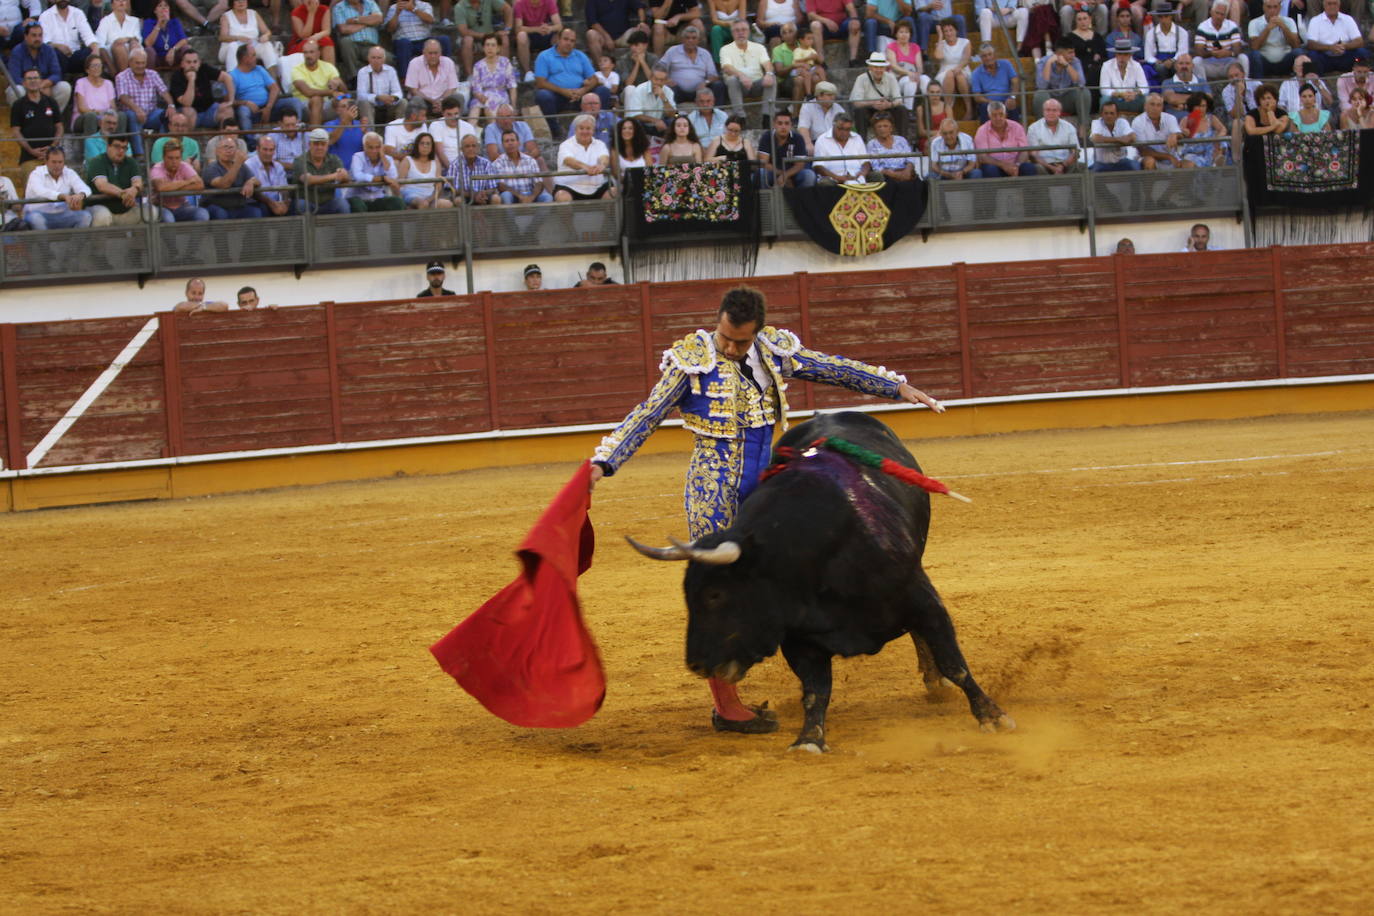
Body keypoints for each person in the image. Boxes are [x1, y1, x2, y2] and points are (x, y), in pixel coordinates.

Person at [587, 286, 943, 734]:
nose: (731, 348)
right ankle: (727, 707)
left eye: (740, 341)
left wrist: (895, 386)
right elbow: (647, 414)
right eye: (725, 338)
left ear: (756, 331)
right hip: (714, 489)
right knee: (721, 594)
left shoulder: (771, 350)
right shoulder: (692, 359)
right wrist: (604, 462)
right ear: (717, 322)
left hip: (765, 492)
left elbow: (829, 367)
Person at [533, 26, 607, 139]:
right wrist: (563, 91)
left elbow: (594, 79)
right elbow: (540, 83)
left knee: (603, 91)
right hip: (557, 97)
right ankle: (555, 131)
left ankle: (600, 127)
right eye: (566, 39)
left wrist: (583, 91)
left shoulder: (580, 56)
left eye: (572, 41)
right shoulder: (544, 56)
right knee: (543, 95)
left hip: (580, 96)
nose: (569, 43)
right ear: (558, 39)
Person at [719, 19, 775, 127]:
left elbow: (767, 63)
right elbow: (726, 67)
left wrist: (768, 73)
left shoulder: (759, 47)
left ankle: (767, 117)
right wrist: (741, 75)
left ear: (749, 32)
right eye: (737, 30)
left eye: (744, 30)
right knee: (731, 79)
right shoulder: (725, 49)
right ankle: (740, 118)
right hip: (739, 86)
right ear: (732, 33)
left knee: (772, 79)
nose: (741, 33)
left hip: (757, 84)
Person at [24, 146, 94, 229]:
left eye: (60, 162)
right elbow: (40, 191)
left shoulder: (69, 172)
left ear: (64, 162)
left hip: (62, 215)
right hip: (39, 214)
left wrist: (80, 195)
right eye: (53, 162)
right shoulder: (36, 174)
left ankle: (74, 242)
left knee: (85, 216)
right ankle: (44, 242)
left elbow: (86, 189)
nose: (57, 165)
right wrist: (63, 196)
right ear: (46, 161)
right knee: (36, 219)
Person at [85, 132, 149, 225]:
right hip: (101, 206)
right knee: (102, 216)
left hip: (126, 208)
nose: (121, 150)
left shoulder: (131, 162)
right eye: (117, 146)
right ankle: (98, 240)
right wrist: (124, 195)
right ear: (108, 146)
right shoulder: (97, 161)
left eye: (124, 147)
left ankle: (139, 240)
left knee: (150, 212)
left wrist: (134, 189)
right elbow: (102, 185)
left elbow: (138, 182)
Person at [383, 0, 450, 80]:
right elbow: (390, 29)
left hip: (425, 40)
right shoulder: (393, 8)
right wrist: (397, 13)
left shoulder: (424, 5)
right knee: (403, 43)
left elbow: (430, 20)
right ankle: (404, 80)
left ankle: (446, 73)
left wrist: (413, 9)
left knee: (444, 40)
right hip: (405, 42)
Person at [554, 113, 615, 199]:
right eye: (581, 128)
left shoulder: (600, 144)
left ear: (593, 130)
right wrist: (586, 168)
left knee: (613, 191)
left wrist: (601, 165)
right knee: (562, 196)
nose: (585, 131)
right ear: (575, 130)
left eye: (588, 128)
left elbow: (604, 157)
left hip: (597, 186)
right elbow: (569, 161)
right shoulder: (565, 145)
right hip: (570, 186)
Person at [10, 68, 65, 163]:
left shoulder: (51, 102)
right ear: (24, 83)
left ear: (41, 81)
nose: (33, 81)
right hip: (28, 158)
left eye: (35, 78)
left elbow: (59, 127)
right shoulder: (18, 105)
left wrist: (51, 148)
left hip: (52, 158)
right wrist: (31, 151)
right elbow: (16, 132)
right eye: (29, 78)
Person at [293, 126, 352, 213]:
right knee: (301, 205)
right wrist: (335, 176)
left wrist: (344, 175)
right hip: (308, 201)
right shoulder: (300, 160)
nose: (320, 147)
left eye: (323, 144)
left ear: (327, 146)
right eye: (316, 144)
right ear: (309, 145)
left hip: (328, 201)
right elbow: (308, 180)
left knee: (343, 205)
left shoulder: (334, 159)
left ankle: (345, 227)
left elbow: (345, 177)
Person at [203, 135, 263, 219]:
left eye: (231, 148)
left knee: (255, 212)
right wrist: (237, 163)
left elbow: (258, 181)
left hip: (238, 206)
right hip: (217, 206)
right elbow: (224, 184)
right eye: (225, 147)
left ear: (236, 151)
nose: (228, 151)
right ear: (217, 151)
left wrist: (250, 182)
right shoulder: (212, 167)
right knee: (220, 214)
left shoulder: (242, 166)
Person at [659, 24, 720, 104]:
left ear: (698, 40)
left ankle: (718, 113)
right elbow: (659, 68)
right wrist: (666, 79)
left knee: (718, 85)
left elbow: (714, 75)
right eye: (687, 38)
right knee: (668, 89)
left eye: (694, 38)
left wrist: (706, 82)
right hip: (677, 90)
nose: (690, 40)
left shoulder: (705, 54)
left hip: (700, 91)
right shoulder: (673, 51)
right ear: (682, 40)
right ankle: (671, 115)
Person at [116, 48, 171, 136]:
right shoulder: (121, 76)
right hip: (132, 115)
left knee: (167, 115)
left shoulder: (153, 74)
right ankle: (139, 149)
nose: (140, 66)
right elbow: (123, 97)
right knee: (132, 115)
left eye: (143, 63)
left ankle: (162, 143)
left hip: (151, 114)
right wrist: (137, 110)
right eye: (137, 63)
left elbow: (164, 91)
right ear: (130, 62)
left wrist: (171, 105)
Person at [151, 139, 209, 221]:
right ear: (164, 157)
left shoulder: (184, 166)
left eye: (177, 158)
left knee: (202, 214)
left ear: (181, 157)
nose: (174, 161)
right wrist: (187, 182)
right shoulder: (157, 168)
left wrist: (171, 187)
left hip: (182, 206)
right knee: (168, 219)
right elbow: (161, 187)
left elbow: (200, 184)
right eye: (170, 158)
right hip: (161, 206)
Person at [849, 50, 905, 136]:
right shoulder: (861, 78)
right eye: (876, 67)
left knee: (901, 109)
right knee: (859, 111)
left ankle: (904, 139)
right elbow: (856, 102)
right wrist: (872, 103)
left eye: (881, 67)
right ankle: (862, 140)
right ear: (870, 67)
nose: (879, 70)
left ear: (885, 68)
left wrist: (889, 104)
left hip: (887, 108)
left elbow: (899, 99)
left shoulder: (891, 77)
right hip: (869, 108)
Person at [246, 135, 304, 216]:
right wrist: (271, 203)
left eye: (271, 150)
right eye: (265, 149)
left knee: (297, 206)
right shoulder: (249, 164)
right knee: (262, 209)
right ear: (257, 149)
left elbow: (284, 189)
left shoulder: (278, 166)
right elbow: (255, 193)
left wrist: (285, 203)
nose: (268, 153)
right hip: (259, 202)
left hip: (277, 202)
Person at [38, 0, 99, 76]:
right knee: (53, 53)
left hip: (75, 56)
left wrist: (95, 50)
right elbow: (44, 42)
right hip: (58, 57)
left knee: (91, 51)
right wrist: (58, 46)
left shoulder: (78, 13)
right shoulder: (45, 16)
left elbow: (88, 36)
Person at [404, 37, 461, 117]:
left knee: (459, 97)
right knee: (416, 100)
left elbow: (452, 87)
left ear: (440, 53)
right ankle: (419, 127)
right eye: (430, 53)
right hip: (424, 100)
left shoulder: (448, 62)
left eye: (436, 53)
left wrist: (440, 101)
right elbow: (413, 90)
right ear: (423, 52)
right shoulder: (414, 63)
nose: (433, 56)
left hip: (443, 100)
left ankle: (455, 126)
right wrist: (432, 101)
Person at [348, 131, 404, 211]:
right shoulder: (358, 157)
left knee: (397, 202)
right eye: (370, 147)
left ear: (382, 147)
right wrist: (382, 178)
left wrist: (383, 156)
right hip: (359, 198)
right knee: (358, 206)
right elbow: (358, 176)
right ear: (364, 147)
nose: (374, 151)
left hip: (378, 198)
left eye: (377, 147)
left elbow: (393, 177)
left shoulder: (387, 159)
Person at [974, 100, 1033, 176]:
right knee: (990, 169)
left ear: (1006, 114)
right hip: (994, 165)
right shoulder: (982, 130)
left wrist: (1017, 165)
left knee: (1029, 167)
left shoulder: (1017, 127)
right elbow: (982, 157)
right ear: (989, 116)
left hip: (1015, 164)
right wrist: (1003, 165)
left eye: (1001, 114)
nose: (998, 118)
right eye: (994, 115)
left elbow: (1024, 151)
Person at [454, 0, 513, 77]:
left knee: (504, 38)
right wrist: (484, 35)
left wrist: (507, 29)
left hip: (489, 37)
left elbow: (507, 8)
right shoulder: (459, 6)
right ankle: (470, 76)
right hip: (472, 38)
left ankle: (503, 74)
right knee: (468, 40)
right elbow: (463, 31)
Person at [1132, 91, 1190, 168]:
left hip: (1172, 157)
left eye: (1158, 105)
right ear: (1145, 106)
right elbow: (1143, 151)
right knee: (1149, 161)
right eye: (1152, 104)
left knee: (1189, 164)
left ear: (1162, 107)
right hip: (1150, 157)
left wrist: (1175, 135)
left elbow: (1179, 134)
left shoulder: (1170, 118)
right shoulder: (1138, 121)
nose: (1155, 108)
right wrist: (1168, 157)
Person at [1192, 0, 1248, 80]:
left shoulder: (1232, 26)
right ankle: (1203, 89)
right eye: (1217, 13)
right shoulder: (1203, 27)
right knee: (1196, 61)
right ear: (1211, 12)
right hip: (1210, 64)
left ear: (1225, 15)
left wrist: (1228, 53)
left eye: (1222, 14)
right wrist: (1212, 53)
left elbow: (1238, 49)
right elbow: (1198, 51)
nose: (1219, 17)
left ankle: (1244, 85)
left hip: (1228, 65)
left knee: (1243, 58)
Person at [757, 109, 813, 187]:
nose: (783, 127)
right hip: (773, 172)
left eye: (787, 123)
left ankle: (802, 199)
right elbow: (763, 163)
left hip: (793, 173)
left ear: (791, 125)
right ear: (774, 124)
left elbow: (800, 164)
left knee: (809, 175)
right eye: (780, 123)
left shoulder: (798, 138)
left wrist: (786, 175)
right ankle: (766, 199)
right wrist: (783, 175)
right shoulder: (766, 137)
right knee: (762, 172)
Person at [1304, 0, 1362, 75]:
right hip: (1324, 58)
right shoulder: (1315, 20)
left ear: (1339, 5)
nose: (1332, 6)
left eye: (1335, 4)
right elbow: (1311, 44)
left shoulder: (1348, 19)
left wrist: (1344, 46)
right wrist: (1330, 47)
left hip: (1345, 55)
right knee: (1312, 55)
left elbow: (1359, 41)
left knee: (1362, 52)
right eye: (1329, 4)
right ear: (1324, 5)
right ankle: (1317, 81)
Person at [494, 127, 552, 202]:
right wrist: (520, 196)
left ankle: (542, 214)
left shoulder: (530, 160)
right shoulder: (498, 162)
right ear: (502, 145)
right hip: (512, 195)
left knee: (547, 197)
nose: (510, 143)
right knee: (506, 195)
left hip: (530, 194)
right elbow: (501, 186)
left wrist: (532, 197)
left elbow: (539, 183)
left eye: (512, 140)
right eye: (507, 141)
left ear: (518, 143)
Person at [1034, 38, 1087, 118]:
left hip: (1067, 98)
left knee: (1084, 92)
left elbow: (1081, 83)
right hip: (1050, 99)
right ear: (1059, 54)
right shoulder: (1043, 62)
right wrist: (1048, 64)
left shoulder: (1075, 61)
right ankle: (1043, 127)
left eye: (1073, 52)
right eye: (1070, 53)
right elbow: (1042, 86)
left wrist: (1066, 65)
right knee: (1040, 95)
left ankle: (1083, 126)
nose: (1073, 55)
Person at [469, 31, 518, 118]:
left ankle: (493, 130)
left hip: (500, 96)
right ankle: (470, 131)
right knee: (475, 109)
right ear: (483, 47)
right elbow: (476, 88)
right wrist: (483, 98)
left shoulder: (505, 62)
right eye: (487, 45)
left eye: (493, 45)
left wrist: (513, 106)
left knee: (490, 108)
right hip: (482, 96)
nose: (490, 48)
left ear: (498, 48)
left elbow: (512, 85)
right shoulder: (478, 65)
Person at [398, 131, 453, 207]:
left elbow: (438, 187)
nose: (425, 146)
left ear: (432, 147)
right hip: (411, 196)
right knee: (422, 204)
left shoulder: (436, 162)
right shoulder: (407, 160)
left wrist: (429, 199)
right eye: (422, 143)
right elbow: (400, 185)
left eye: (428, 143)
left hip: (429, 197)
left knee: (447, 204)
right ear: (417, 145)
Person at [968, 42, 1018, 123]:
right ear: (981, 58)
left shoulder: (1006, 64)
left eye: (989, 54)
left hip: (1006, 100)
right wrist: (991, 102)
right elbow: (977, 97)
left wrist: (1012, 97)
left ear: (995, 55)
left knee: (1012, 105)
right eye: (984, 56)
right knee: (985, 108)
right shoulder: (976, 73)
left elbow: (1015, 81)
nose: (988, 58)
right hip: (989, 103)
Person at [1247, 0, 1299, 77]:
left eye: (1275, 7)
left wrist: (1284, 27)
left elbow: (1296, 45)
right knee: (1254, 55)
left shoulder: (1289, 21)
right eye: (1269, 7)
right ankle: (1258, 84)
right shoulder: (1254, 23)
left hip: (1285, 62)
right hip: (1265, 63)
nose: (1272, 10)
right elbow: (1254, 47)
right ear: (1263, 7)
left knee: (1299, 52)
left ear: (1280, 8)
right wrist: (1267, 29)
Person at [217, 0, 275, 71]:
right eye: (237, 0)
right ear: (232, 2)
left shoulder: (253, 13)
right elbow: (222, 37)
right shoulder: (226, 16)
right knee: (233, 46)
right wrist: (237, 38)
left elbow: (267, 31)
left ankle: (274, 78)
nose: (241, 2)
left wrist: (266, 36)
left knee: (267, 45)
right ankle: (233, 78)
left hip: (251, 46)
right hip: (231, 48)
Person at [812, 112, 869, 183]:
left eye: (847, 129)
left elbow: (865, 162)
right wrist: (837, 177)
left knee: (875, 176)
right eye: (840, 128)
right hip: (832, 178)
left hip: (856, 177)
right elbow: (818, 166)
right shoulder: (822, 140)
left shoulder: (857, 138)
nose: (844, 132)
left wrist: (862, 174)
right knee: (825, 182)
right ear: (833, 125)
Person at [1025, 97, 1078, 173]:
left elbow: (1075, 152)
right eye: (1048, 110)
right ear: (1043, 111)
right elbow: (1033, 155)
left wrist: (1063, 165)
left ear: (1059, 112)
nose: (1051, 113)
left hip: (1065, 164)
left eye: (1054, 110)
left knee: (1080, 166)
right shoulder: (1033, 128)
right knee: (1037, 168)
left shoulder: (1069, 127)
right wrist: (1052, 168)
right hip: (1044, 165)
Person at [356, 44, 404, 126]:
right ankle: (370, 133)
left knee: (403, 102)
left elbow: (398, 92)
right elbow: (360, 95)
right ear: (368, 58)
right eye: (373, 57)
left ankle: (398, 129)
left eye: (379, 58)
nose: (376, 60)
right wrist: (378, 97)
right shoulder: (362, 72)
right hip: (371, 107)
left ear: (384, 59)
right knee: (364, 102)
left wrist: (393, 98)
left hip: (388, 106)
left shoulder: (391, 70)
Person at [932, 18, 972, 112]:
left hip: (962, 68)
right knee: (950, 74)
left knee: (959, 76)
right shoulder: (940, 44)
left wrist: (958, 68)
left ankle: (969, 109)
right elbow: (938, 56)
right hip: (945, 72)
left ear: (956, 30)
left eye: (951, 30)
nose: (949, 33)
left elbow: (966, 59)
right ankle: (948, 108)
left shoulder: (965, 42)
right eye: (946, 31)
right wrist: (940, 36)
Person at [806, 0, 861, 69]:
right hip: (824, 28)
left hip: (841, 26)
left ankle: (853, 60)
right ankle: (821, 61)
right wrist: (827, 21)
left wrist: (854, 19)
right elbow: (811, 15)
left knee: (855, 23)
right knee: (815, 25)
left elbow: (851, 8)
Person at [447, 132, 499, 204]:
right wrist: (474, 195)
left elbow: (492, 187)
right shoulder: (455, 165)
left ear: (478, 148)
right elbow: (453, 190)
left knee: (496, 198)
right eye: (467, 146)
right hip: (465, 197)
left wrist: (483, 193)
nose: (471, 149)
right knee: (458, 200)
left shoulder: (486, 163)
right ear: (461, 149)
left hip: (483, 196)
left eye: (473, 146)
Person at [625, 64, 677, 135]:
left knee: (676, 120)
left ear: (666, 81)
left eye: (661, 80)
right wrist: (655, 121)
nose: (658, 82)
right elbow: (635, 114)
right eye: (656, 79)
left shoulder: (669, 91)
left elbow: (674, 114)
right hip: (643, 125)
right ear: (650, 78)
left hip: (661, 125)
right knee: (634, 122)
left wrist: (664, 99)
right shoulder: (640, 90)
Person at [1088, 99, 1139, 171]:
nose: (1109, 116)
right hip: (1102, 164)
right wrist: (1119, 139)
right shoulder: (1096, 122)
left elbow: (1133, 137)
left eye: (1112, 113)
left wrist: (1106, 140)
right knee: (1090, 175)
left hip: (1121, 162)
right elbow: (1095, 138)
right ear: (1101, 114)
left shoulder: (1122, 122)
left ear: (1117, 115)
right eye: (1106, 113)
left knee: (1137, 167)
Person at [514, 0, 560, 78]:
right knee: (521, 35)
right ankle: (528, 73)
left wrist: (549, 28)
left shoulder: (549, 2)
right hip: (529, 35)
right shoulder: (520, 4)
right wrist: (536, 29)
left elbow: (559, 25)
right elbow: (518, 28)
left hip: (545, 34)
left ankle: (556, 69)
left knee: (559, 35)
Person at [1144, 0, 1188, 82]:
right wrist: (1157, 61)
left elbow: (1183, 52)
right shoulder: (1151, 33)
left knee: (1179, 67)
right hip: (1159, 62)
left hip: (1176, 60)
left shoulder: (1182, 32)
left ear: (1171, 16)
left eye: (1166, 16)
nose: (1163, 19)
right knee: (1160, 69)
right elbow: (1148, 56)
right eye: (1161, 16)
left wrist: (1172, 61)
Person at [96, 0, 142, 74]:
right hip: (112, 57)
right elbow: (100, 44)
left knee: (134, 44)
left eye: (123, 0)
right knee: (119, 47)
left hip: (132, 53)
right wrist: (110, 67)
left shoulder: (135, 21)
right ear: (112, 5)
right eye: (117, 0)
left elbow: (138, 40)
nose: (121, 2)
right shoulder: (105, 21)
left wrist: (127, 39)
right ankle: (125, 79)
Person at [796, 80, 843, 152]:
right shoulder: (808, 107)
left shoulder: (838, 108)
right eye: (829, 95)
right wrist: (808, 144)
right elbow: (803, 128)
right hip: (815, 143)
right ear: (819, 96)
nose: (833, 98)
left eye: (834, 95)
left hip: (835, 143)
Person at [865, 113, 914, 181]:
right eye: (879, 126)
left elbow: (910, 159)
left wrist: (907, 171)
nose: (882, 129)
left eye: (885, 126)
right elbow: (877, 168)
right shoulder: (872, 144)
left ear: (891, 128)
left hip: (905, 173)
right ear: (874, 129)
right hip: (886, 176)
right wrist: (895, 175)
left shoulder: (901, 140)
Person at [140, 0, 188, 68]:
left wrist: (173, 50)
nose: (163, 8)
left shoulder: (175, 22)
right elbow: (148, 43)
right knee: (149, 51)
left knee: (186, 48)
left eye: (166, 6)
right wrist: (159, 24)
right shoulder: (149, 22)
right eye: (160, 6)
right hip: (157, 57)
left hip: (173, 55)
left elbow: (184, 40)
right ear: (155, 10)